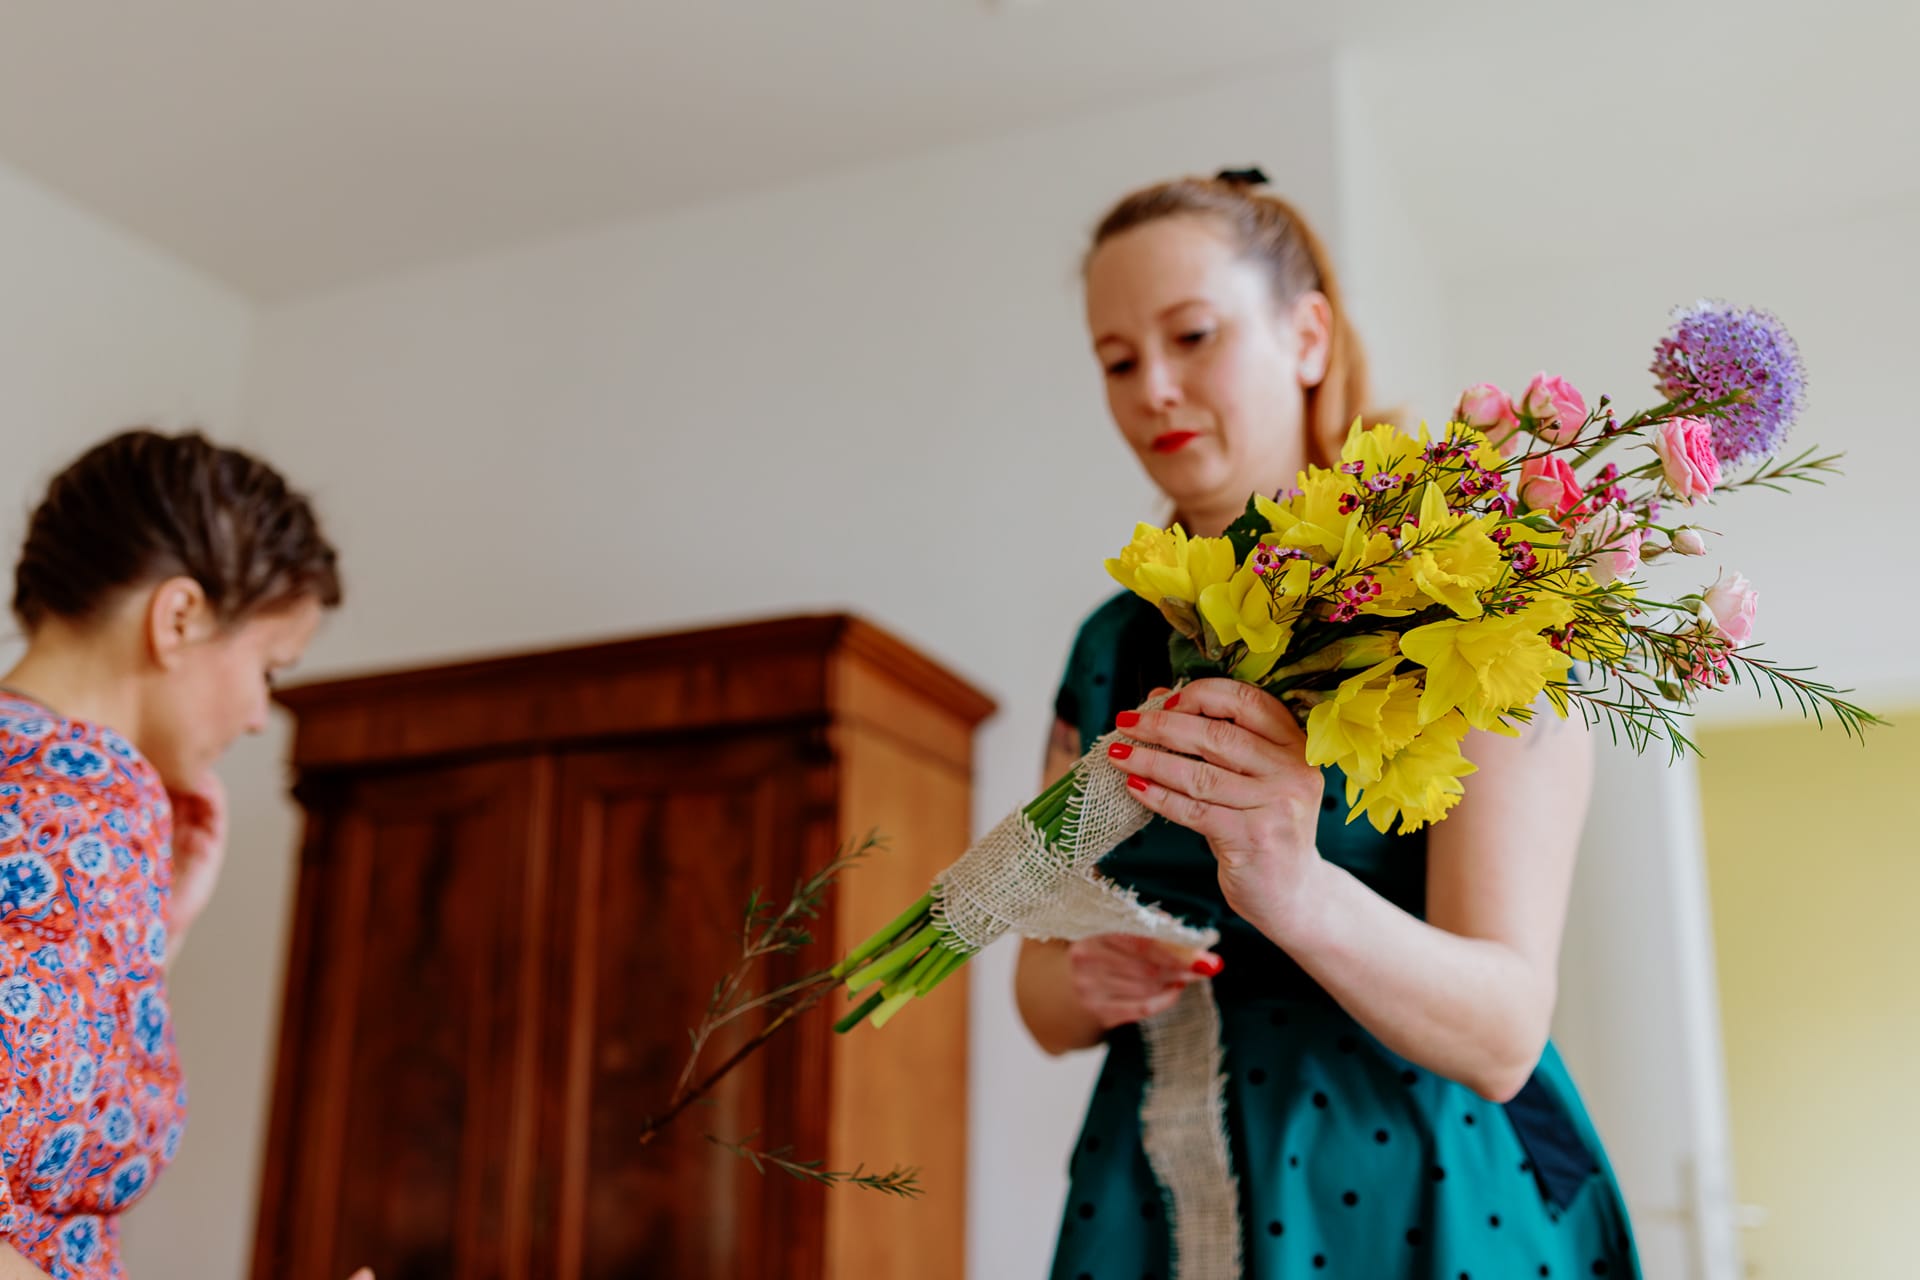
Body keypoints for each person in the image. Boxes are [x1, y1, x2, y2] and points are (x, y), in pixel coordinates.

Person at [1014, 171, 1640, 1278]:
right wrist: (1085, 981)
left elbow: (1504, 1032)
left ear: (1307, 336)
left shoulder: (1472, 589)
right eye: (1116, 360)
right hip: (1159, 1174)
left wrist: (1296, 889)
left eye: (1192, 336)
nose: (1154, 388)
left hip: (1419, 1187)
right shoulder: (1108, 644)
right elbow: (1039, 988)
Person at [0, 429, 366, 1280]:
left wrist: (155, 934)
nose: (257, 717)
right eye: (270, 669)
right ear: (178, 618)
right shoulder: (91, 794)